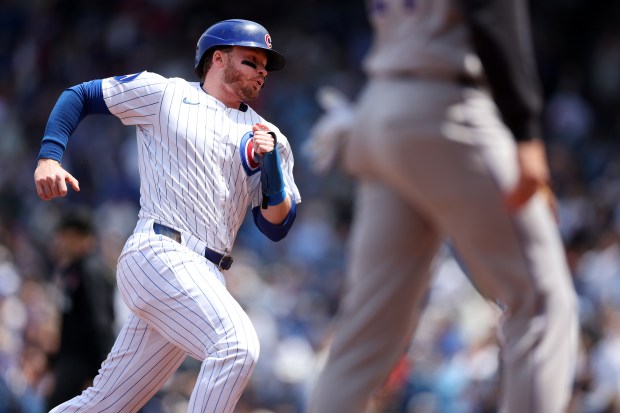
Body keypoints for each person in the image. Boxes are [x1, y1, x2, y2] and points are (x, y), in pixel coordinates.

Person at [304, 0, 578, 412]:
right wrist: (526, 132)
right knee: (542, 306)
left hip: (378, 106)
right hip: (446, 106)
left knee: (364, 337)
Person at [33, 18, 301, 413]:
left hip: (206, 274)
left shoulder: (269, 135)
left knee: (105, 404)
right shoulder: (166, 94)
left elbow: (276, 225)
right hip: (159, 250)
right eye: (251, 60)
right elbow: (81, 95)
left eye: (265, 65)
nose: (262, 70)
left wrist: (273, 166)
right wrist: (48, 157)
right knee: (237, 346)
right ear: (218, 58)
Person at [45, 208, 116, 410]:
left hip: (84, 363)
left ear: (82, 237)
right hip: (72, 361)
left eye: (67, 236)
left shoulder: (91, 270)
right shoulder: (73, 270)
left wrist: (98, 373)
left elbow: (99, 323)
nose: (62, 241)